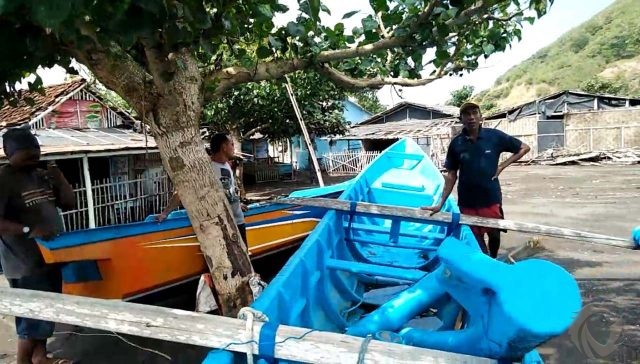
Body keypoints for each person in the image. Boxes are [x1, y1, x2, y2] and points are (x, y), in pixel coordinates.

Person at [0, 127, 75, 364]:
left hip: (51, 256)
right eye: (27, 153)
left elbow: (70, 203)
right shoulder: (4, 179)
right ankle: (23, 362)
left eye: (36, 151)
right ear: (9, 153)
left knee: (47, 311)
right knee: (31, 319)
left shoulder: (41, 174)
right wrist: (28, 230)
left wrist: (59, 178)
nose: (35, 157)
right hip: (24, 262)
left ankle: (41, 358)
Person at [422, 102, 530, 258]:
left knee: (494, 233)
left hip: (490, 197)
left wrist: (502, 166)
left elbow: (524, 148)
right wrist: (440, 203)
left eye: (474, 113)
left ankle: (493, 257)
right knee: (476, 236)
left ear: (481, 117)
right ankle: (486, 261)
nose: (471, 117)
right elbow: (451, 175)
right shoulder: (456, 143)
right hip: (467, 201)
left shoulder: (495, 136)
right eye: (467, 114)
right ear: (461, 119)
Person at [158, 133, 248, 245]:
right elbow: (182, 191)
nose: (234, 148)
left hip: (238, 221)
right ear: (224, 147)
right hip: (223, 226)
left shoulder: (226, 165)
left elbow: (227, 189)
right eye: (232, 144)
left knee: (245, 260)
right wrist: (165, 213)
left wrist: (236, 203)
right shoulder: (206, 169)